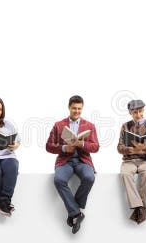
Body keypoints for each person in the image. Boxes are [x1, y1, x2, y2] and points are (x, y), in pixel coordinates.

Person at [45, 95, 99, 234]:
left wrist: (81, 143)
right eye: (74, 108)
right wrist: (64, 148)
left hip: (82, 160)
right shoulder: (59, 125)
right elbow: (49, 146)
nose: (76, 111)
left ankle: (73, 211)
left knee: (89, 178)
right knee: (59, 180)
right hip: (65, 160)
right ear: (69, 107)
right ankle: (76, 213)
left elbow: (96, 147)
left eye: (79, 109)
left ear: (82, 108)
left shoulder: (89, 126)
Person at [117, 99, 146, 224]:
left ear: (143, 111)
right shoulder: (125, 126)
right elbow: (119, 147)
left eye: (140, 111)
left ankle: (138, 208)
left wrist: (144, 148)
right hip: (129, 160)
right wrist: (130, 149)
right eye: (135, 112)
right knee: (125, 174)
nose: (138, 114)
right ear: (130, 113)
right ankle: (141, 208)